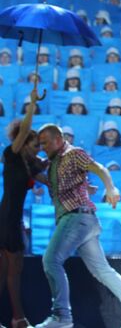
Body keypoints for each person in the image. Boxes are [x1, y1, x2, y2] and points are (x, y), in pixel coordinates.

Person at [35, 124, 121, 328]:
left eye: (45, 142)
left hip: (76, 217)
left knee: (51, 260)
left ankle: (61, 316)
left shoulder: (72, 153)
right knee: (102, 270)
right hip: (83, 221)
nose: (42, 147)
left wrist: (110, 187)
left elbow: (98, 168)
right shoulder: (54, 163)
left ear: (58, 139)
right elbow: (53, 183)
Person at [0, 89, 43, 328]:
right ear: (23, 141)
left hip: (12, 218)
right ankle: (19, 318)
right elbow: (25, 128)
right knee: (13, 271)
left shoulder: (30, 165)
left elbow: (48, 180)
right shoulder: (12, 153)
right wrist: (32, 104)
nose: (38, 148)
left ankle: (18, 318)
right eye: (35, 145)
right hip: (6, 218)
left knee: (7, 271)